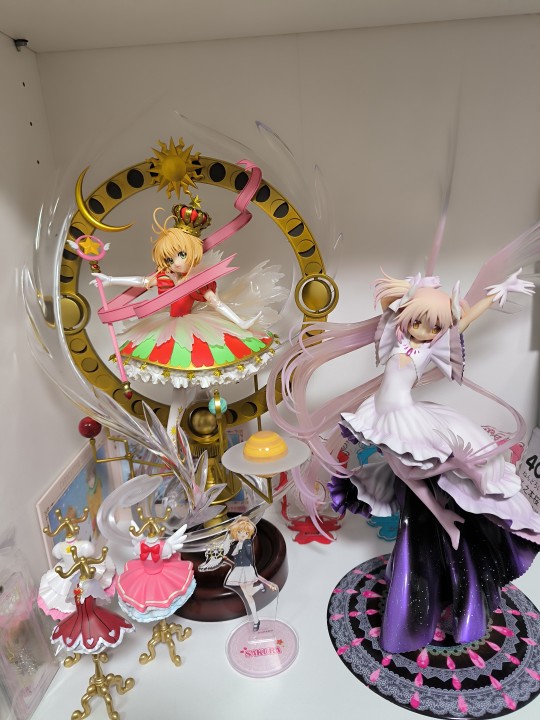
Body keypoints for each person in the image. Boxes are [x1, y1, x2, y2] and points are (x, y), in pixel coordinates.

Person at [267, 223, 540, 653]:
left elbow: (463, 319)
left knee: (425, 471)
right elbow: (392, 306)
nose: (423, 331)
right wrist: (413, 290)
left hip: (406, 417)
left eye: (433, 327)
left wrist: (494, 294)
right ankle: (445, 509)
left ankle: (453, 505)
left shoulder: (431, 347)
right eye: (417, 322)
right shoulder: (394, 333)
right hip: (387, 414)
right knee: (406, 472)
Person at [91, 199, 286, 435]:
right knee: (181, 385)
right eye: (169, 259)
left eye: (181, 255)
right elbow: (142, 281)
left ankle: (186, 425)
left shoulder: (197, 283)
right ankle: (172, 433)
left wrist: (240, 322)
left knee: (199, 374)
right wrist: (110, 280)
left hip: (195, 326)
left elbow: (217, 303)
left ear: (193, 253)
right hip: (169, 326)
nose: (175, 263)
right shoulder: (165, 277)